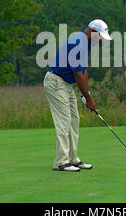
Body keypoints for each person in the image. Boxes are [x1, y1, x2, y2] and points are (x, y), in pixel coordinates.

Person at [43, 19, 112, 172]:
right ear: (93, 32)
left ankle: (73, 159)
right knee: (64, 120)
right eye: (100, 37)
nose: (101, 41)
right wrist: (88, 99)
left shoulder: (85, 43)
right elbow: (77, 74)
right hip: (56, 82)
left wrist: (86, 94)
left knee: (74, 119)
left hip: (66, 84)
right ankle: (61, 162)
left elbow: (83, 71)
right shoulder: (78, 43)